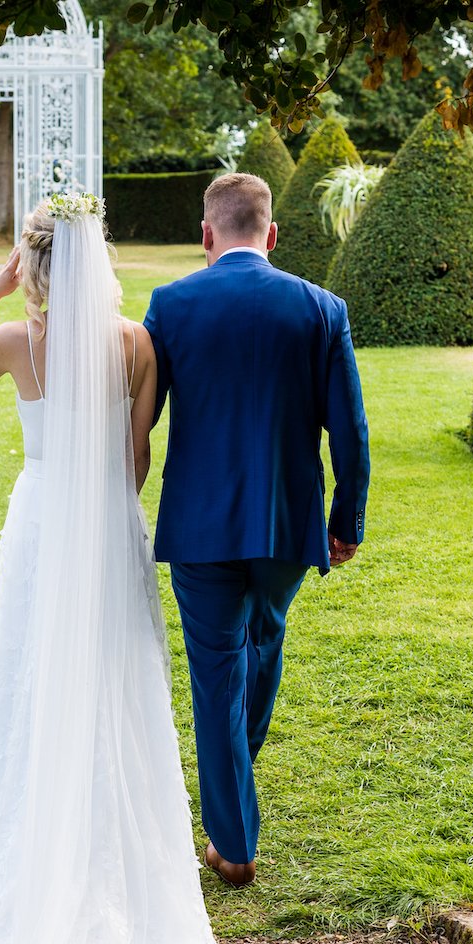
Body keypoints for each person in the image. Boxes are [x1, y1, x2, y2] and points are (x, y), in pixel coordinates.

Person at [0, 194, 257, 944]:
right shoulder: (133, 344)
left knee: (32, 684)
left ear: (35, 267)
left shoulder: (15, 347)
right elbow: (135, 460)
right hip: (108, 527)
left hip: (41, 524)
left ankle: (36, 855)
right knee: (120, 689)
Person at [143, 172, 371, 888]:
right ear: (272, 235)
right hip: (285, 522)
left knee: (218, 675)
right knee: (264, 639)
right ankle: (233, 814)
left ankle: (233, 838)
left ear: (206, 235)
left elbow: (141, 414)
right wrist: (347, 520)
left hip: (200, 523)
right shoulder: (321, 308)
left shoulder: (171, 305)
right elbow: (351, 432)